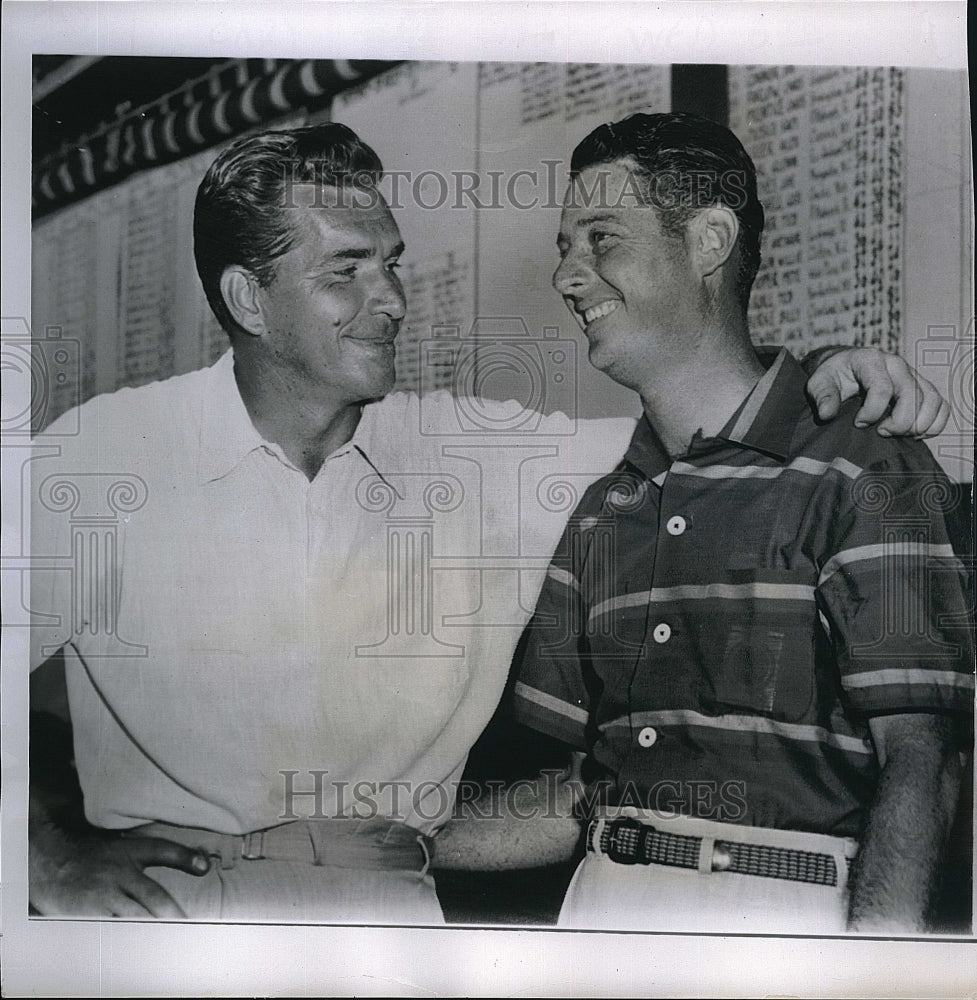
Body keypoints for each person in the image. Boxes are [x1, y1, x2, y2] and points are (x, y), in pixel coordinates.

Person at [28, 122, 953, 924]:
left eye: (390, 262)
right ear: (245, 300)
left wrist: (838, 372)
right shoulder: (108, 453)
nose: (390, 299)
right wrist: (41, 865)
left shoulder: (485, 457)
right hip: (167, 920)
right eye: (344, 271)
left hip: (392, 925)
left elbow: (711, 417)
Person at [435, 112, 973, 935]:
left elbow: (924, 765)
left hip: (785, 924)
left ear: (708, 240)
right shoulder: (601, 512)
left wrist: (882, 971)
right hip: (598, 911)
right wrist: (356, 847)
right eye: (562, 246)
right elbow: (576, 795)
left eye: (600, 239)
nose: (567, 277)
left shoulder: (868, 467)